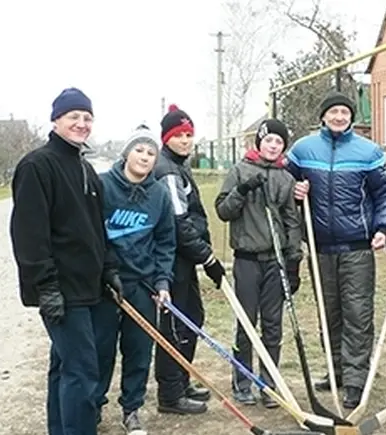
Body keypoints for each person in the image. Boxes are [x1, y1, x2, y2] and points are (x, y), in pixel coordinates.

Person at [10, 87, 123, 435]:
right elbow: (28, 234)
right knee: (82, 372)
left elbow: (95, 230)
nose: (82, 123)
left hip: (91, 289)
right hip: (61, 290)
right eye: (74, 116)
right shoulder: (36, 166)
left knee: (64, 368)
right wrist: (45, 287)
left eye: (87, 117)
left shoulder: (87, 170)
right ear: (56, 119)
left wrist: (109, 269)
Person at [285, 91, 386, 408]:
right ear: (323, 116)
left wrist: (383, 227)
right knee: (328, 312)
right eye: (333, 112)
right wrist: (294, 190)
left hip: (357, 248)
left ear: (351, 118)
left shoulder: (368, 152)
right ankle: (335, 370)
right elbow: (282, 187)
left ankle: (354, 380)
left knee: (357, 314)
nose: (339, 117)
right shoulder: (303, 150)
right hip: (320, 247)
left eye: (344, 112)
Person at [94, 125, 176, 433]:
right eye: (139, 150)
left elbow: (167, 242)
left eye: (151, 152)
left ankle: (132, 409)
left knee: (139, 350)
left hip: (142, 285)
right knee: (101, 349)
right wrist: (106, 271)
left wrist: (162, 282)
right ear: (127, 153)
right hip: (105, 286)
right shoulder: (102, 186)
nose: (145, 156)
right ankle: (94, 405)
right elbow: (91, 236)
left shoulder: (159, 195)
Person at [215, 119, 303, 408]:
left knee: (273, 325)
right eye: (269, 141)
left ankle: (269, 382)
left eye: (279, 143)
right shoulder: (240, 170)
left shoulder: (285, 178)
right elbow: (223, 211)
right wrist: (241, 190)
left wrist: (293, 262)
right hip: (247, 259)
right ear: (259, 142)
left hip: (275, 261)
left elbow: (291, 221)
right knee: (247, 323)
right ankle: (242, 381)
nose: (273, 146)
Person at [152, 104, 226, 415]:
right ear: (166, 137)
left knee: (192, 317)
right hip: (172, 260)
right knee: (175, 324)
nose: (186, 140)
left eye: (189, 135)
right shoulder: (167, 170)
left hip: (184, 259)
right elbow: (178, 222)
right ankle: (170, 395)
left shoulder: (180, 165)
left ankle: (181, 380)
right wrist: (208, 258)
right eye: (179, 135)